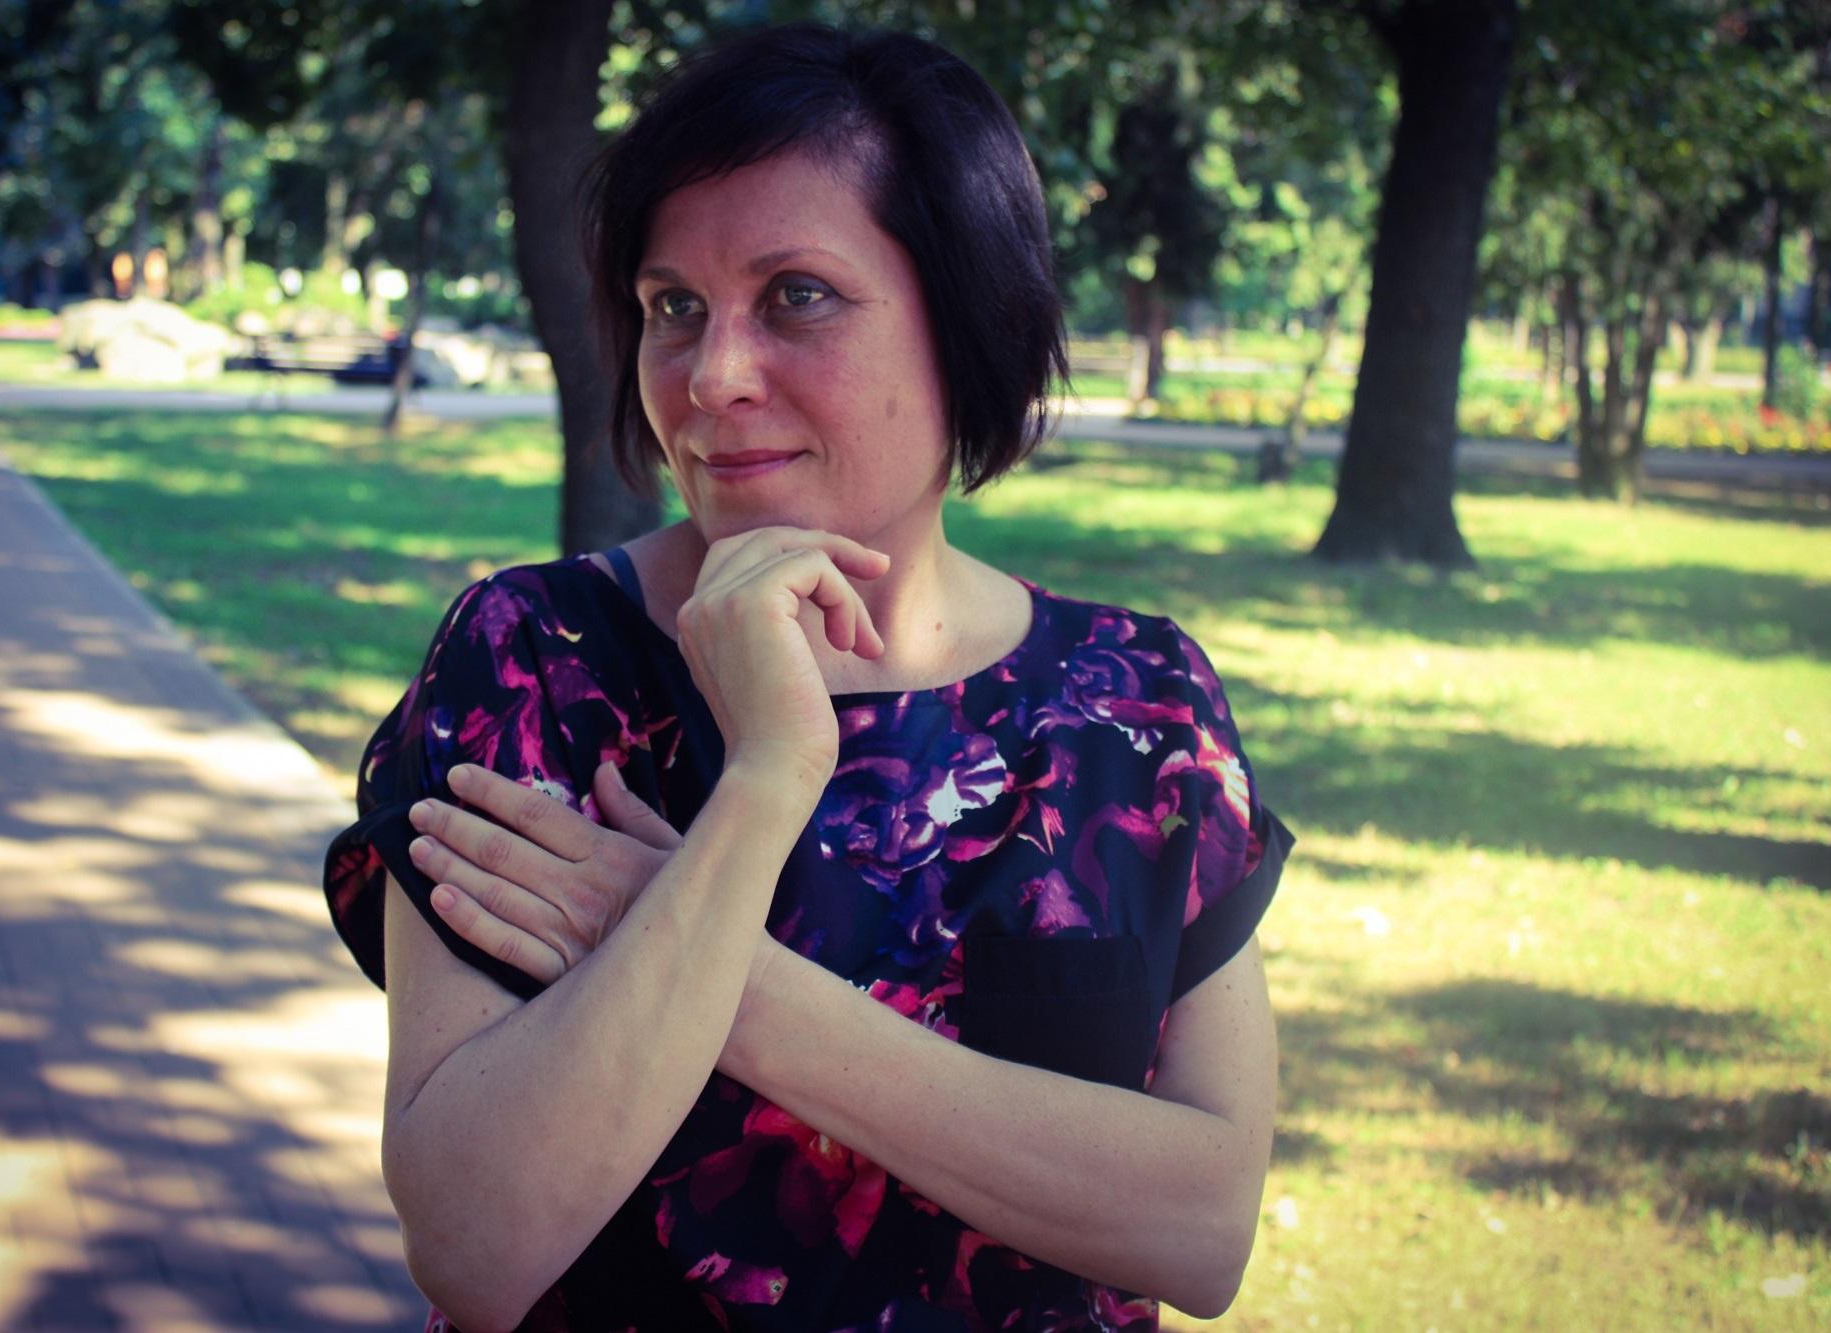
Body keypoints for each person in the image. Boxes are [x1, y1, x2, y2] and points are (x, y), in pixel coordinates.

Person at [322, 23, 1294, 1333]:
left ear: (969, 321)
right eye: (675, 307)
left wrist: (674, 943)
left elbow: (1201, 1228)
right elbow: (476, 1246)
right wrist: (769, 778)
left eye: (797, 295)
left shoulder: (1137, 704)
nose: (712, 378)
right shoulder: (536, 662)